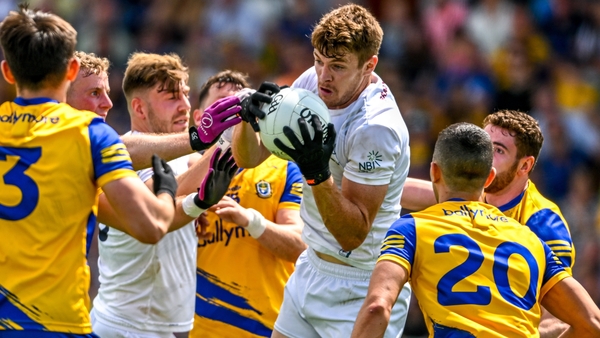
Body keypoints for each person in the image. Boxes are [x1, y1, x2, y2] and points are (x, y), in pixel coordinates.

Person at [232, 4, 411, 337]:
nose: (323, 76)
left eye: (338, 67)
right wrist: (247, 122)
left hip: (360, 285)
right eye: (318, 61)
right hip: (311, 267)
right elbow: (248, 159)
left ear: (369, 65)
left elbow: (352, 235)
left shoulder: (376, 127)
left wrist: (316, 170)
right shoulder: (312, 85)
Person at [0, 6, 178, 337]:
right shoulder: (90, 133)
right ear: (71, 70)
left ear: (8, 72)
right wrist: (166, 190)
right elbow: (151, 225)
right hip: (56, 323)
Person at [351, 122, 600, 337]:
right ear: (488, 178)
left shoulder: (412, 228)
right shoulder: (531, 239)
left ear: (434, 172)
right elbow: (592, 324)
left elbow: (377, 307)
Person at [89, 52, 238, 338]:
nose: (184, 106)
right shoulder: (122, 156)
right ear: (139, 109)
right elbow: (151, 203)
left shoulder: (181, 158)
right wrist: (229, 136)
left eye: (185, 94)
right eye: (171, 97)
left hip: (158, 327)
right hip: (128, 327)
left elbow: (178, 196)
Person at [401, 109, 575, 336]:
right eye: (485, 145)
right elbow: (421, 191)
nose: (485, 155)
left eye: (499, 150)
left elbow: (557, 320)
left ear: (525, 166)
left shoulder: (543, 223)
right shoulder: (478, 192)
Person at [189, 70, 305, 337]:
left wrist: (251, 220)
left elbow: (300, 247)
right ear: (199, 118)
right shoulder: (184, 173)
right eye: (223, 105)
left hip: (270, 328)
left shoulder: (283, 168)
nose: (233, 113)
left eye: (240, 105)